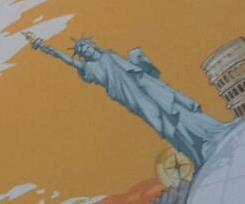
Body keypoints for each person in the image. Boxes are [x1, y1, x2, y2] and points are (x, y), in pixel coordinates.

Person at [24, 32, 229, 168]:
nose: (86, 50)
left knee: (175, 108)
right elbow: (66, 59)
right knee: (164, 125)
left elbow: (137, 69)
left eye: (87, 46)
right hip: (134, 99)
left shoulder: (111, 55)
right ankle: (195, 150)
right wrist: (43, 46)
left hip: (146, 86)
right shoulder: (90, 68)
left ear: (93, 44)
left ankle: (207, 131)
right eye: (83, 51)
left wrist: (141, 61)